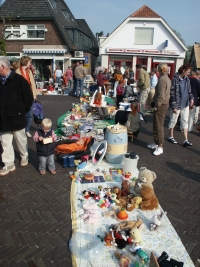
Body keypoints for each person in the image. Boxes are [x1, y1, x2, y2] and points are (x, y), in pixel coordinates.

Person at [0, 56, 34, 176]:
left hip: (17, 117)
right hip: (3, 119)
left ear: (3, 67)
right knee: (5, 142)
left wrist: (21, 111)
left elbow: (28, 99)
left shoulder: (19, 80)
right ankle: (8, 164)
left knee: (21, 139)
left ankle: (24, 156)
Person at [147, 63, 171, 156]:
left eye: (158, 69)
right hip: (163, 103)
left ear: (160, 70)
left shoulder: (162, 79)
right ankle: (156, 142)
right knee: (156, 124)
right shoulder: (167, 78)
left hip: (162, 104)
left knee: (159, 125)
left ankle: (160, 146)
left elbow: (161, 94)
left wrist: (157, 104)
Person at [168, 64, 194, 146]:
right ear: (184, 70)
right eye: (188, 72)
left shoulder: (187, 79)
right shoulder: (175, 79)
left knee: (185, 121)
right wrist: (174, 106)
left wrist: (192, 98)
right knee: (173, 120)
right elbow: (172, 94)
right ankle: (171, 136)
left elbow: (189, 91)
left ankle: (186, 140)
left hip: (185, 103)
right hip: (177, 104)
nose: (188, 74)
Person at [15, 56, 37, 138]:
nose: (30, 64)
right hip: (21, 96)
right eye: (30, 62)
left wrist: (34, 95)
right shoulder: (17, 72)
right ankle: (22, 130)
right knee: (21, 114)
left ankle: (27, 130)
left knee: (29, 114)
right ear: (25, 62)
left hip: (29, 96)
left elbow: (33, 84)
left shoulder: (29, 72)